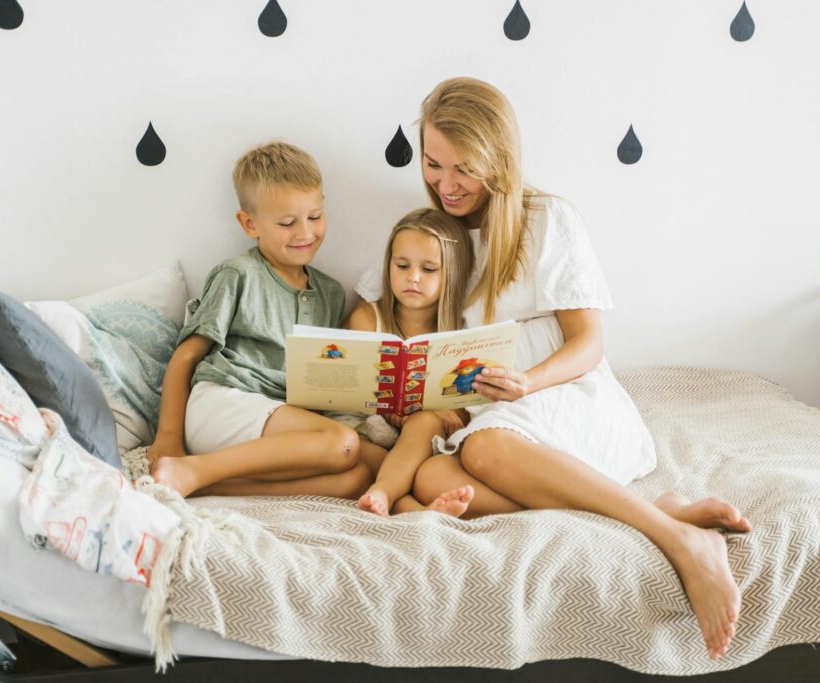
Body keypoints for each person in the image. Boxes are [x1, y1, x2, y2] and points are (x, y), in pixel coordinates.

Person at [352, 77, 752, 660]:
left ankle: (679, 539)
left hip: (563, 392)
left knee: (485, 452)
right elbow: (370, 301)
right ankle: (643, 511)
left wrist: (526, 384)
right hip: (482, 414)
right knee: (434, 480)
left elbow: (588, 343)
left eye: (462, 168)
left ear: (499, 159)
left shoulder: (547, 219)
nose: (445, 183)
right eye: (432, 164)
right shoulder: (435, 229)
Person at [150, 141, 384, 499]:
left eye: (315, 216)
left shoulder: (331, 293)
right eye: (287, 223)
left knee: (364, 472)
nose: (305, 233)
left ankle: (204, 482)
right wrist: (167, 437)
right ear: (249, 224)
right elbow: (186, 357)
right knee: (342, 443)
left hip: (278, 420)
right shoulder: (237, 275)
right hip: (224, 403)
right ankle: (193, 467)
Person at [345, 208, 476, 517]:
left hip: (424, 439)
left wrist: (442, 411)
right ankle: (412, 508)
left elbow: (463, 406)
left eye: (429, 269)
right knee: (367, 459)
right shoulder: (367, 318)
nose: (412, 277)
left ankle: (387, 494)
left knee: (426, 422)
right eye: (402, 265)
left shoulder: (461, 333)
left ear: (452, 275)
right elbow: (355, 387)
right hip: (375, 437)